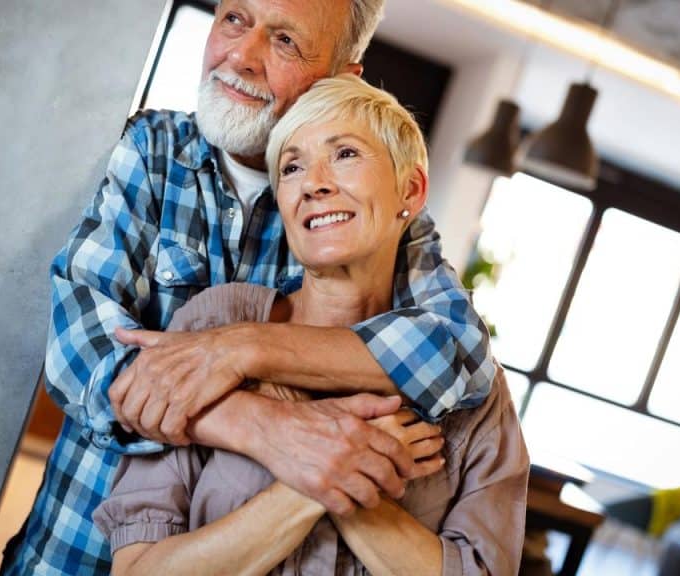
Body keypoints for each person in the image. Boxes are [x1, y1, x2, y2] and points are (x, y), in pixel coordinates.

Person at [3, 0, 497, 572]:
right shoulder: (152, 150)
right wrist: (268, 428)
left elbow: (457, 352)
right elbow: (81, 354)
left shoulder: (371, 209)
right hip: (67, 555)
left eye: (285, 41)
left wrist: (237, 350)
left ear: (340, 77)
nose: (242, 56)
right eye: (235, 18)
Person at [94, 74, 530, 576]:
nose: (314, 182)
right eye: (292, 166)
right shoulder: (213, 324)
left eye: (344, 154)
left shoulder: (473, 392)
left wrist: (344, 476)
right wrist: (316, 473)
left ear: (410, 189)